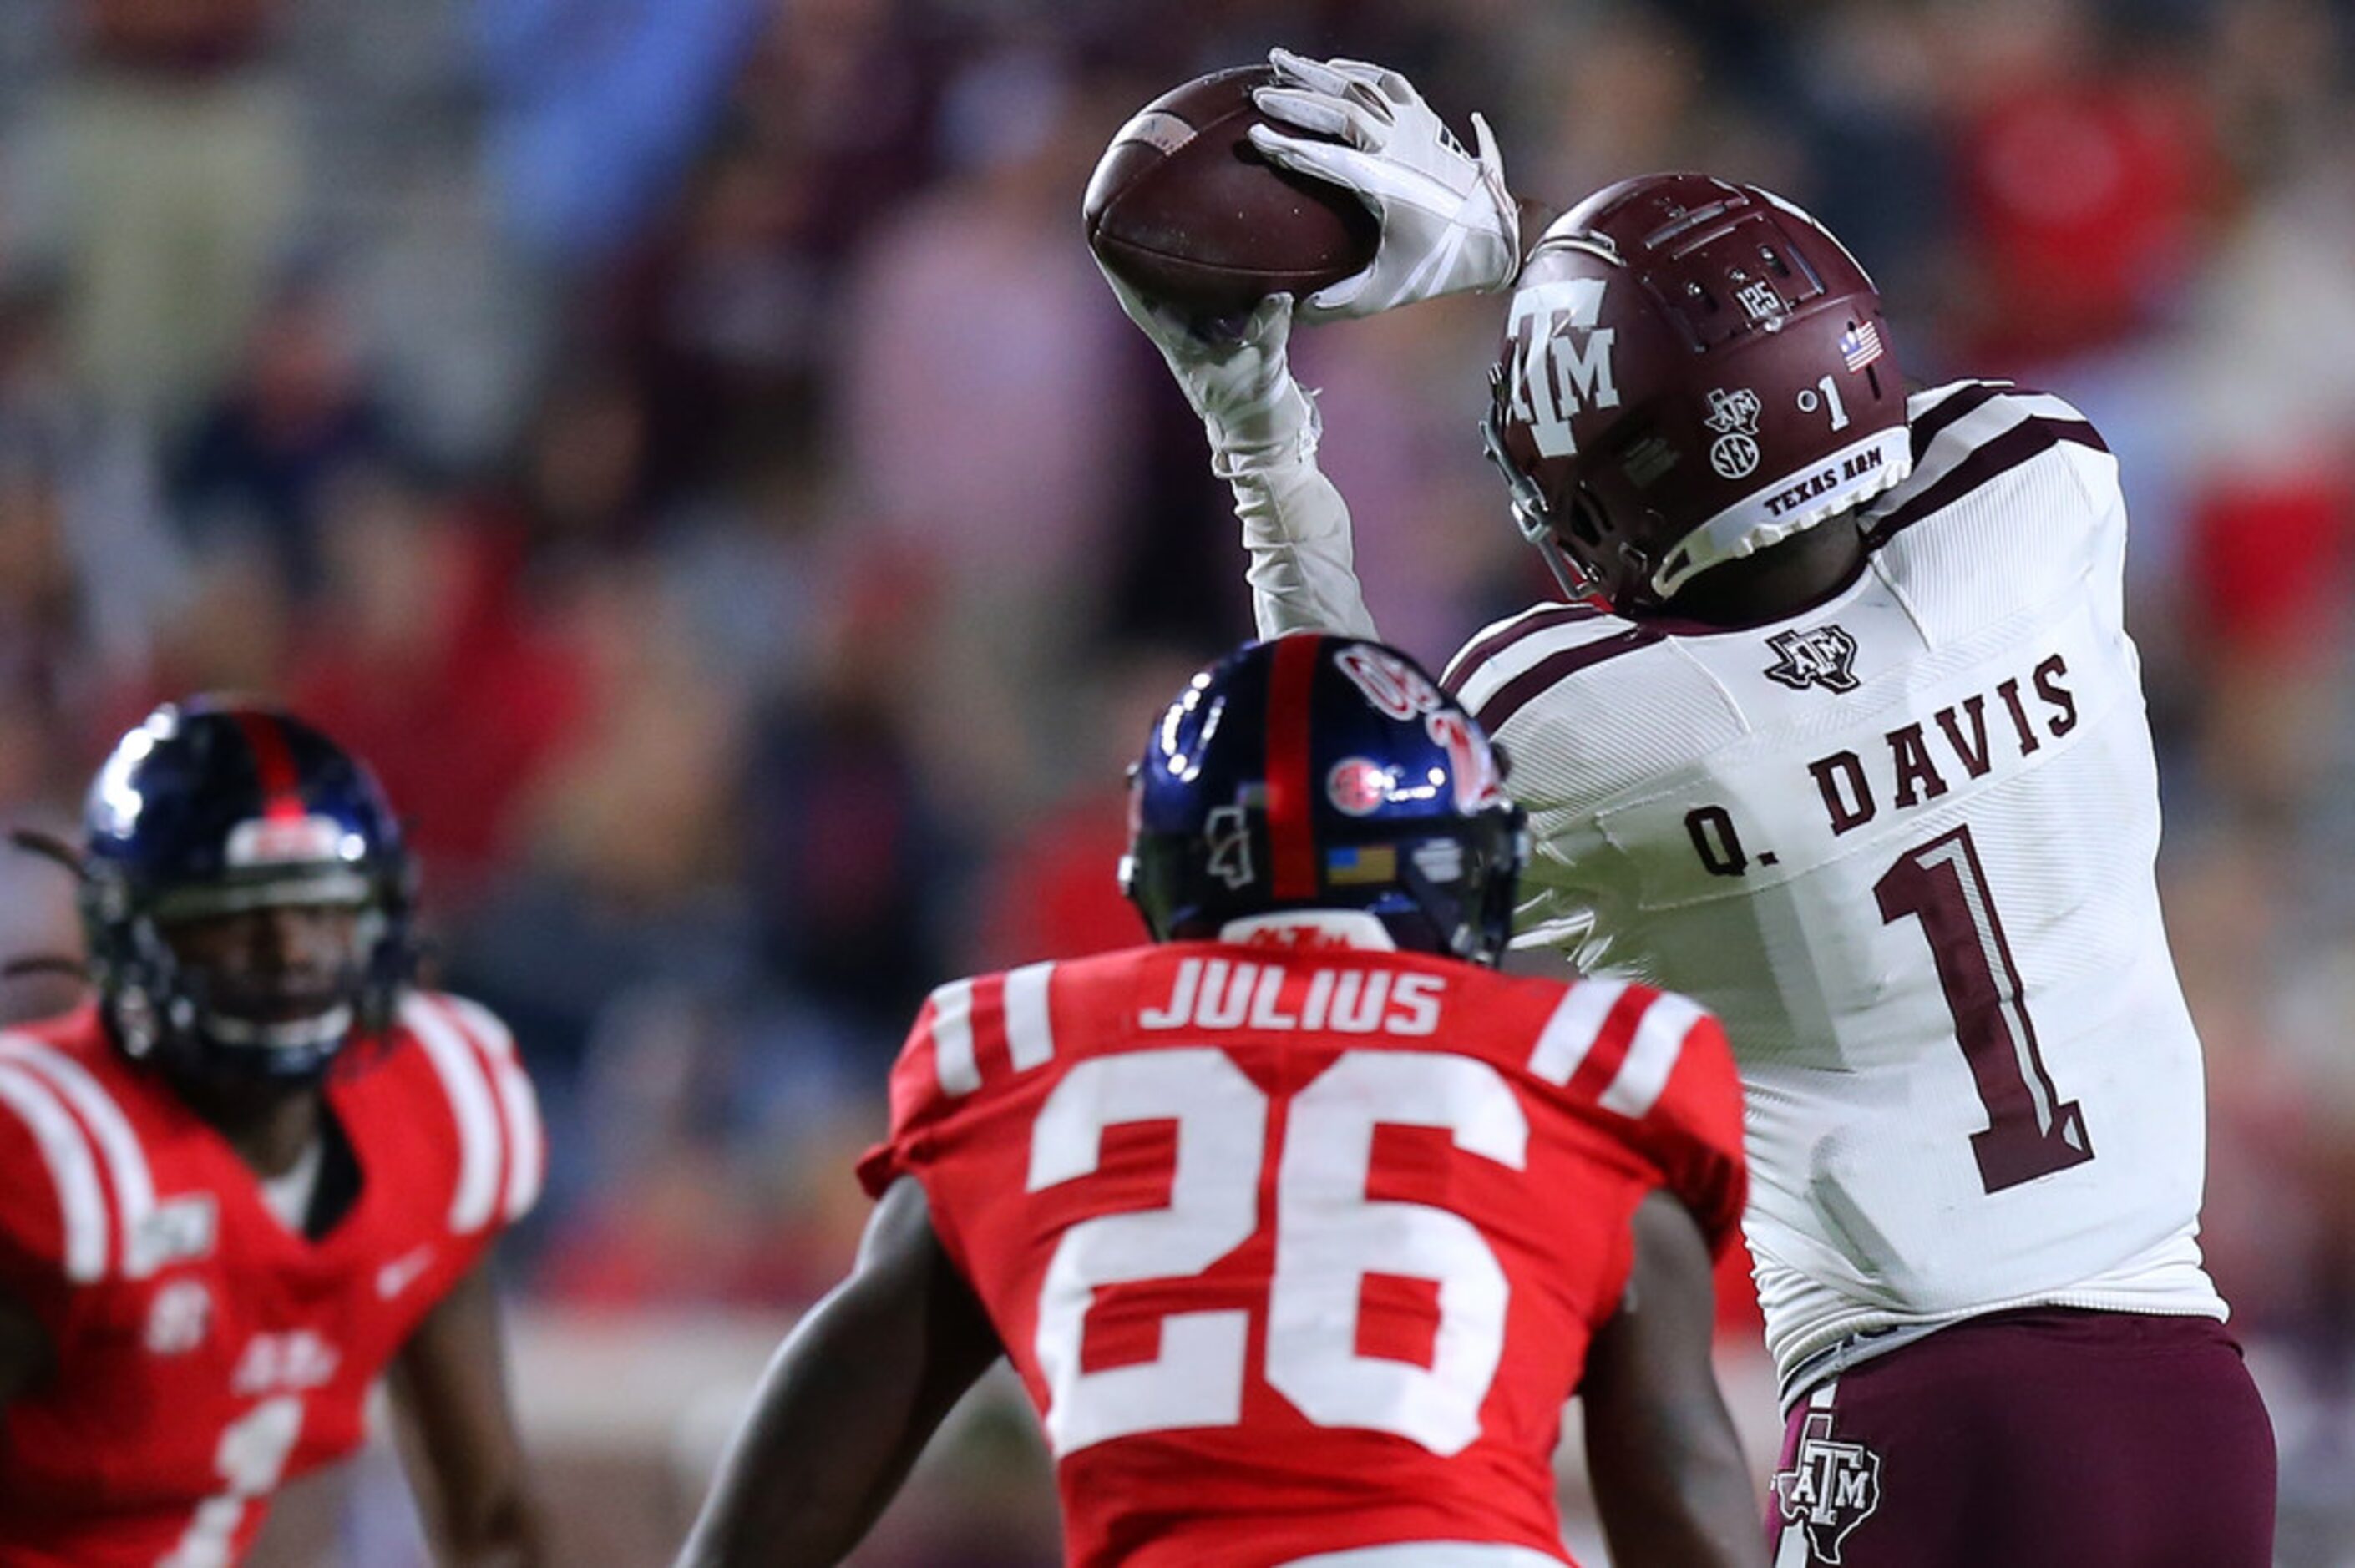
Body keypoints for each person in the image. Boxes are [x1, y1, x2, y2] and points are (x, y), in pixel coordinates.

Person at [1096, 49, 2278, 1568]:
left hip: (1922, 1402)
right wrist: (1580, 275)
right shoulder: (2043, 500)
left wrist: (1261, 428)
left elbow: (1320, 809)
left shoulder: (1588, 725)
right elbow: (1821, 431)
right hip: (2192, 1402)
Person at [677, 632, 1764, 1568]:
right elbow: (1677, 1471)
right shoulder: (1585, 1061)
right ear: (1458, 859)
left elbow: (825, 1432)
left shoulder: (1026, 1048)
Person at [0, 698, 547, 1565]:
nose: (288, 952)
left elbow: (493, 1525)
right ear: (136, 931)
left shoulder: (439, 1109)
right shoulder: (51, 1161)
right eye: (233, 915)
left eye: (318, 909)